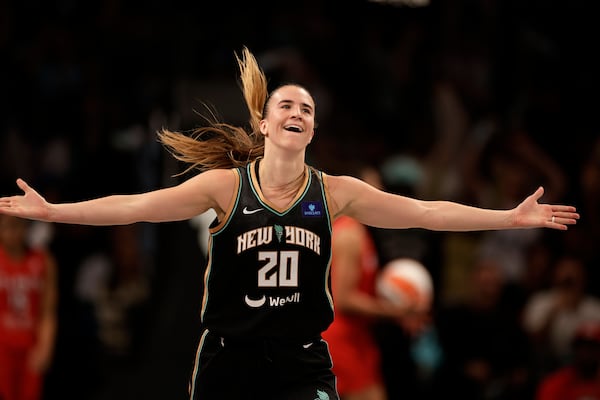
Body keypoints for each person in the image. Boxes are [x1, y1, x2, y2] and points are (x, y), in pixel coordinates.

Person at [0, 47, 580, 400]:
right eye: (287, 105)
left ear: (312, 130)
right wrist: (55, 211)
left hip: (303, 359)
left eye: (307, 108)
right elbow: (133, 205)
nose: (298, 112)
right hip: (230, 357)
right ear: (264, 123)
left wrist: (509, 217)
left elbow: (427, 213)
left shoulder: (335, 193)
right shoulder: (225, 188)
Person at [322, 163, 430, 400]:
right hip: (342, 340)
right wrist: (396, 311)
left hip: (358, 337)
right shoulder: (349, 234)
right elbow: (344, 299)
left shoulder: (360, 232)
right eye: (372, 188)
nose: (379, 195)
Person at [0, 214, 58, 400]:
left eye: (18, 226)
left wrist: (45, 345)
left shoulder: (43, 261)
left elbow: (48, 310)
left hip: (29, 345)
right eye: (7, 227)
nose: (13, 232)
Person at [535, 320, 600, 400]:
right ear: (574, 350)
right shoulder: (556, 382)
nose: (586, 353)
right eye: (582, 348)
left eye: (592, 348)